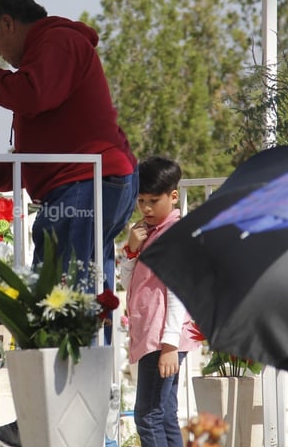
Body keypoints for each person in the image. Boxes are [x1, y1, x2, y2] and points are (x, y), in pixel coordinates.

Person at [0, 0, 138, 447]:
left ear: (8, 23)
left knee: (63, 296)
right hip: (83, 181)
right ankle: (68, 408)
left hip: (85, 183)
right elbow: (36, 148)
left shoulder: (57, 41)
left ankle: (65, 409)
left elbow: (32, 96)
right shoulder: (51, 50)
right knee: (77, 295)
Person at [119, 156, 201, 447]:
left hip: (162, 339)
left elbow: (178, 292)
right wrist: (131, 250)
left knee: (147, 416)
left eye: (154, 200)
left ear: (173, 196)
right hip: (157, 337)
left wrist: (169, 345)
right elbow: (130, 285)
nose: (146, 208)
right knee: (163, 414)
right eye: (141, 200)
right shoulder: (150, 232)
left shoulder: (173, 235)